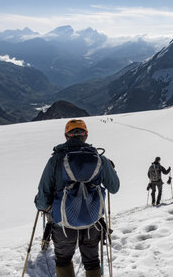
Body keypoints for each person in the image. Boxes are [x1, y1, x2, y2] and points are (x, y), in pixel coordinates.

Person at [35, 119, 120, 277]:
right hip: (92, 220)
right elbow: (114, 187)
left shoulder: (55, 160)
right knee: (92, 261)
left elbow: (43, 196)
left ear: (67, 136)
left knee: (63, 260)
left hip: (63, 223)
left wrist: (42, 206)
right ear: (85, 135)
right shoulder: (99, 158)